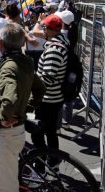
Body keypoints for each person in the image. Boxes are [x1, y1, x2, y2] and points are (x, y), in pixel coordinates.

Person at [0, 23, 46, 191]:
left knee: (6, 185)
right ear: (23, 43)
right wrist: (27, 107)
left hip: (6, 134)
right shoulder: (24, 62)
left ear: (0, 44)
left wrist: (5, 117)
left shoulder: (8, 68)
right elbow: (40, 88)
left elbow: (9, 100)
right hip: (5, 135)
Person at [31, 14, 69, 172]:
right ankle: (53, 163)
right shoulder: (61, 40)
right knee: (51, 131)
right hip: (56, 98)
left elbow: (47, 79)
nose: (42, 29)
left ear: (49, 29)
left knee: (37, 133)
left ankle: (41, 169)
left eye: (44, 27)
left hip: (48, 99)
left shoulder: (54, 50)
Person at [55, 10, 78, 133]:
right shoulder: (73, 31)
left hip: (63, 66)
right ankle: (66, 123)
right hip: (72, 67)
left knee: (59, 97)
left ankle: (57, 126)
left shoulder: (61, 33)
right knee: (68, 98)